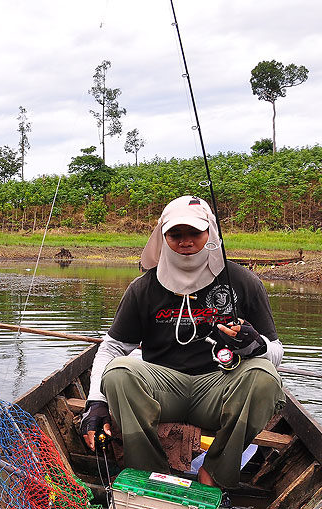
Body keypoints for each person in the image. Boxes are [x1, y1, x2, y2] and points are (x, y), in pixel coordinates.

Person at [80, 195, 284, 489]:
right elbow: (112, 348)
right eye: (175, 235)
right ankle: (147, 474)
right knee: (119, 371)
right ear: (162, 238)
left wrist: (256, 346)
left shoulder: (242, 282)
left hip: (219, 388)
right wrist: (96, 403)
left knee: (264, 377)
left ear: (211, 233)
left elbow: (277, 353)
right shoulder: (144, 288)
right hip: (162, 390)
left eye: (194, 233)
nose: (185, 242)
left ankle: (213, 474)